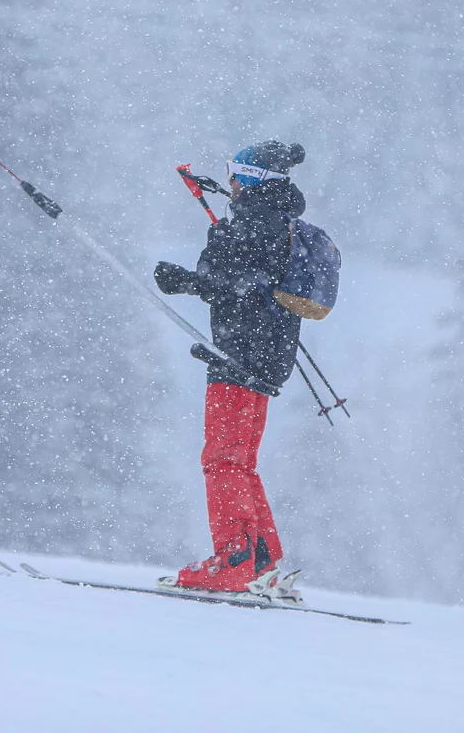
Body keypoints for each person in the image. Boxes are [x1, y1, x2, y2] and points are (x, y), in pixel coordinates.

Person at [153, 140, 307, 601]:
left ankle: (234, 560)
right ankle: (263, 563)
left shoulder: (252, 223)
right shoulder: (281, 221)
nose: (232, 182)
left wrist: (185, 281)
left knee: (222, 460)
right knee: (239, 461)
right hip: (266, 356)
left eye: (236, 174)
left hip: (241, 357)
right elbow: (248, 285)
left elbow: (233, 287)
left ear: (255, 179)